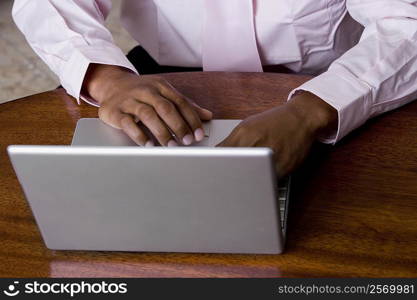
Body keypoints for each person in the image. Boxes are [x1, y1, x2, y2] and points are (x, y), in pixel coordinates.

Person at [12, 0, 417, 177]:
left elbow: (406, 25)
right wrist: (107, 79)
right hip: (161, 76)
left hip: (332, 84)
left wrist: (311, 111)